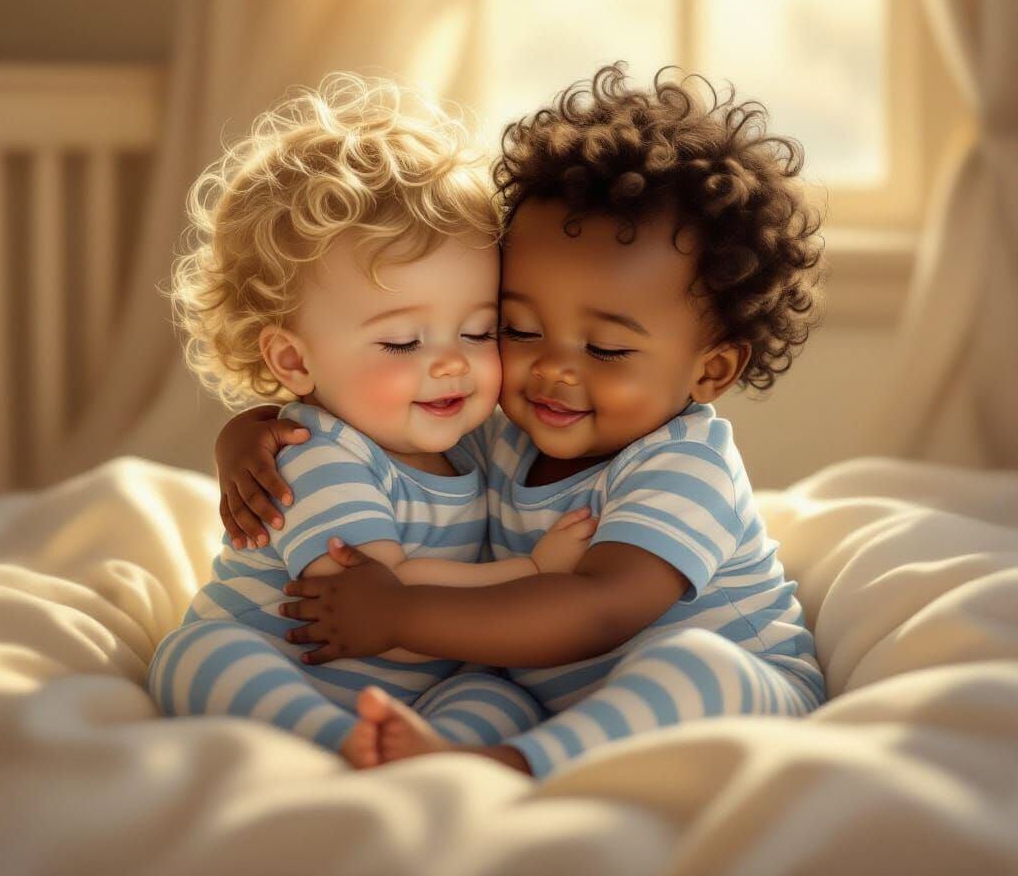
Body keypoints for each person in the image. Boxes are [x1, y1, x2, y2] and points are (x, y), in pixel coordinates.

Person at [217, 63, 827, 778]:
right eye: (516, 329)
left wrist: (400, 616)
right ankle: (459, 750)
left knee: (691, 666)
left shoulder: (685, 465)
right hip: (561, 699)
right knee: (480, 685)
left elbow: (597, 609)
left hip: (732, 696)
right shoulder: (506, 434)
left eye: (605, 348)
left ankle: (513, 765)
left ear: (710, 371)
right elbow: (365, 416)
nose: (554, 370)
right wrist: (251, 432)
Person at [146, 73, 597, 768]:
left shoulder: (473, 441)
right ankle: (335, 743)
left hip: (422, 684)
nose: (450, 366)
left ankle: (432, 748)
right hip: (292, 665)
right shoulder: (315, 454)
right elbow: (384, 601)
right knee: (200, 656)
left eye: (478, 333)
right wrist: (534, 571)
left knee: (502, 696)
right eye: (401, 342)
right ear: (295, 362)